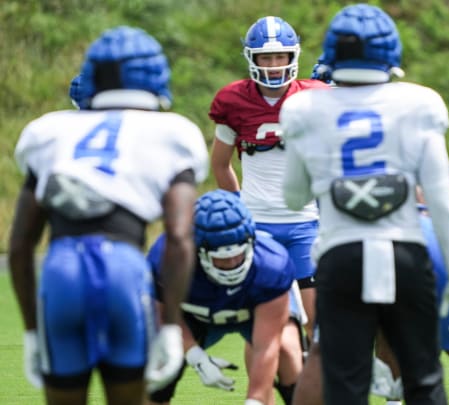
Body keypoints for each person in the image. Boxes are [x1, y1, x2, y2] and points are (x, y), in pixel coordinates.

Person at [281, 4, 449, 404]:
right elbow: (440, 200)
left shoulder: (303, 108)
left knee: (346, 387)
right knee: (423, 381)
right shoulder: (420, 104)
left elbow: (294, 196)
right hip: (405, 252)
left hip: (341, 257)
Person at [8, 26, 209, 405]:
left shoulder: (49, 130)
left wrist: (33, 330)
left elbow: (20, 246)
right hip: (123, 268)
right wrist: (170, 328)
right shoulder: (173, 132)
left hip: (61, 270)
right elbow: (180, 239)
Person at [291, 202, 449, 405]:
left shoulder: (322, 158)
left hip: (348, 239)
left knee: (322, 354)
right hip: (415, 233)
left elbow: (295, 197)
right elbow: (440, 197)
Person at [208, 16, 330, 341]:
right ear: (252, 58)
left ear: (293, 57)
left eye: (280, 57)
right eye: (266, 57)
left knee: (318, 323)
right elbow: (220, 165)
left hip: (307, 224)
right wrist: (238, 210)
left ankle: (316, 390)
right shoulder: (234, 101)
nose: (274, 65)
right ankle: (267, 391)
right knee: (269, 324)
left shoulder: (316, 96)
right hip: (259, 226)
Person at [146, 190, 303, 405]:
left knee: (288, 351)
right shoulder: (169, 260)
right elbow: (164, 318)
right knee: (158, 364)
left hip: (255, 308)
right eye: (221, 260)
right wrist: (196, 357)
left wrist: (255, 400)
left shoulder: (271, 265)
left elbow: (267, 346)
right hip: (194, 314)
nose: (231, 265)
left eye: (237, 256)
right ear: (198, 250)